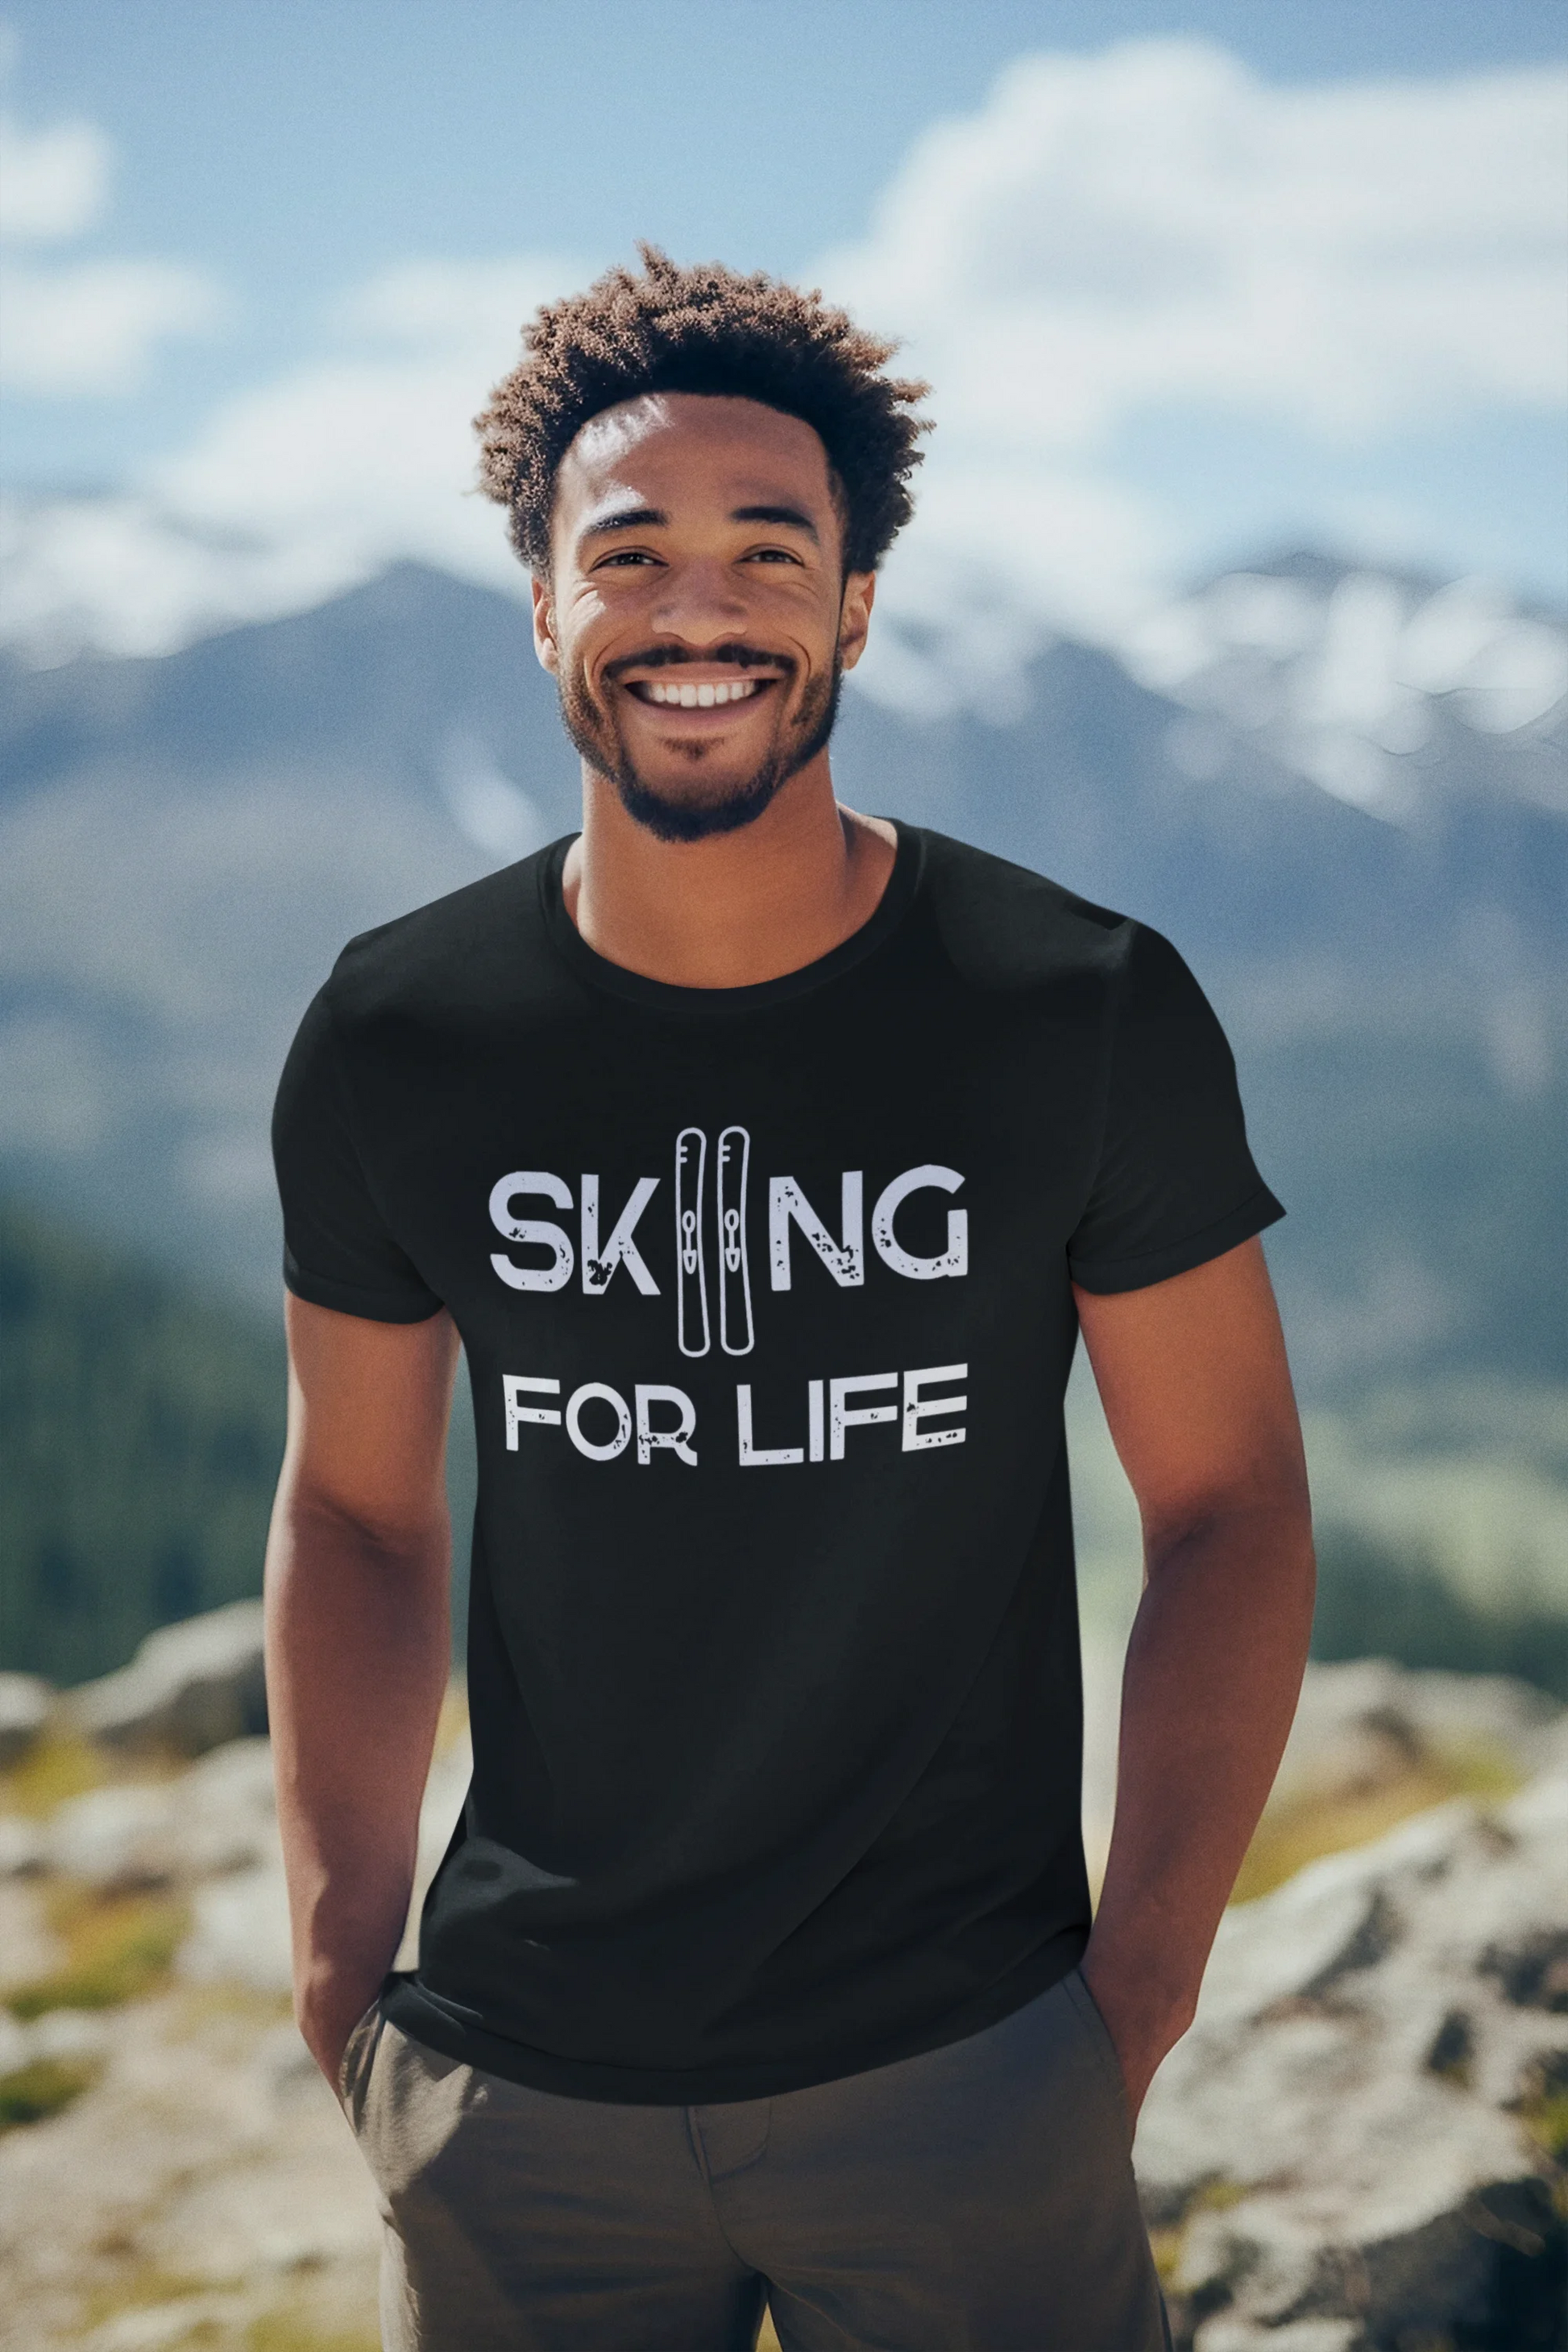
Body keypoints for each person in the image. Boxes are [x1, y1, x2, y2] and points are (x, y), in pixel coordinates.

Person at [268, 247, 1316, 2352]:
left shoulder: (1076, 1008)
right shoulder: (403, 1032)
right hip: (519, 2098)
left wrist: (1134, 1991)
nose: (697, 602)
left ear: (852, 604)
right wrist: (343, 1968)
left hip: (966, 2075)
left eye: (771, 546)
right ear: (543, 604)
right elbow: (361, 1513)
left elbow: (1231, 1504)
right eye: (628, 547)